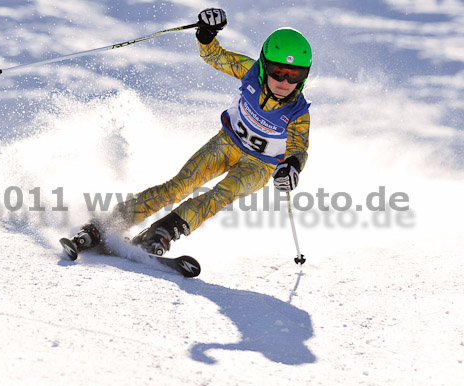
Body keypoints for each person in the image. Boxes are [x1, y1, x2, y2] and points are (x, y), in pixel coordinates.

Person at [68, 8, 312, 256]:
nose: (284, 82)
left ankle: (162, 233)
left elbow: (299, 149)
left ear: (304, 77)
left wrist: (291, 166)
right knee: (178, 187)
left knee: (219, 196)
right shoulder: (250, 72)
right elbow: (215, 57)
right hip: (226, 144)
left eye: (294, 75)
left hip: (260, 166)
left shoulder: (298, 112)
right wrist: (206, 34)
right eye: (277, 72)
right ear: (263, 67)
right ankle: (105, 225)